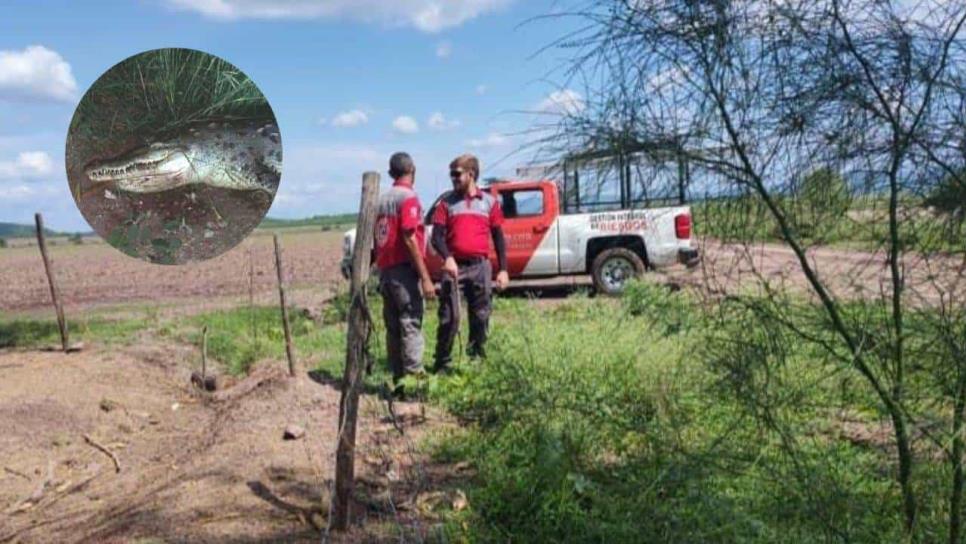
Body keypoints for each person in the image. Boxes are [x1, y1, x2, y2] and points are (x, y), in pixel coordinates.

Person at [431, 153, 509, 372]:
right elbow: (436, 237)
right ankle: (442, 363)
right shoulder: (445, 204)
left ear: (471, 174)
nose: (453, 178)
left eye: (457, 174)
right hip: (454, 267)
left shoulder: (489, 203)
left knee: (481, 316)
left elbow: (498, 237)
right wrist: (448, 258)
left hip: (480, 267)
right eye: (451, 175)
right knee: (449, 317)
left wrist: (503, 270)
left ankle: (476, 359)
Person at [374, 152, 436, 387]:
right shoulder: (408, 198)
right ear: (413, 169)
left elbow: (377, 237)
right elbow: (410, 238)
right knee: (410, 323)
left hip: (385, 272)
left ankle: (398, 379)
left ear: (391, 173)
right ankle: (413, 381)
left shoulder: (380, 200)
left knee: (392, 328)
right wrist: (426, 277)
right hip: (403, 272)